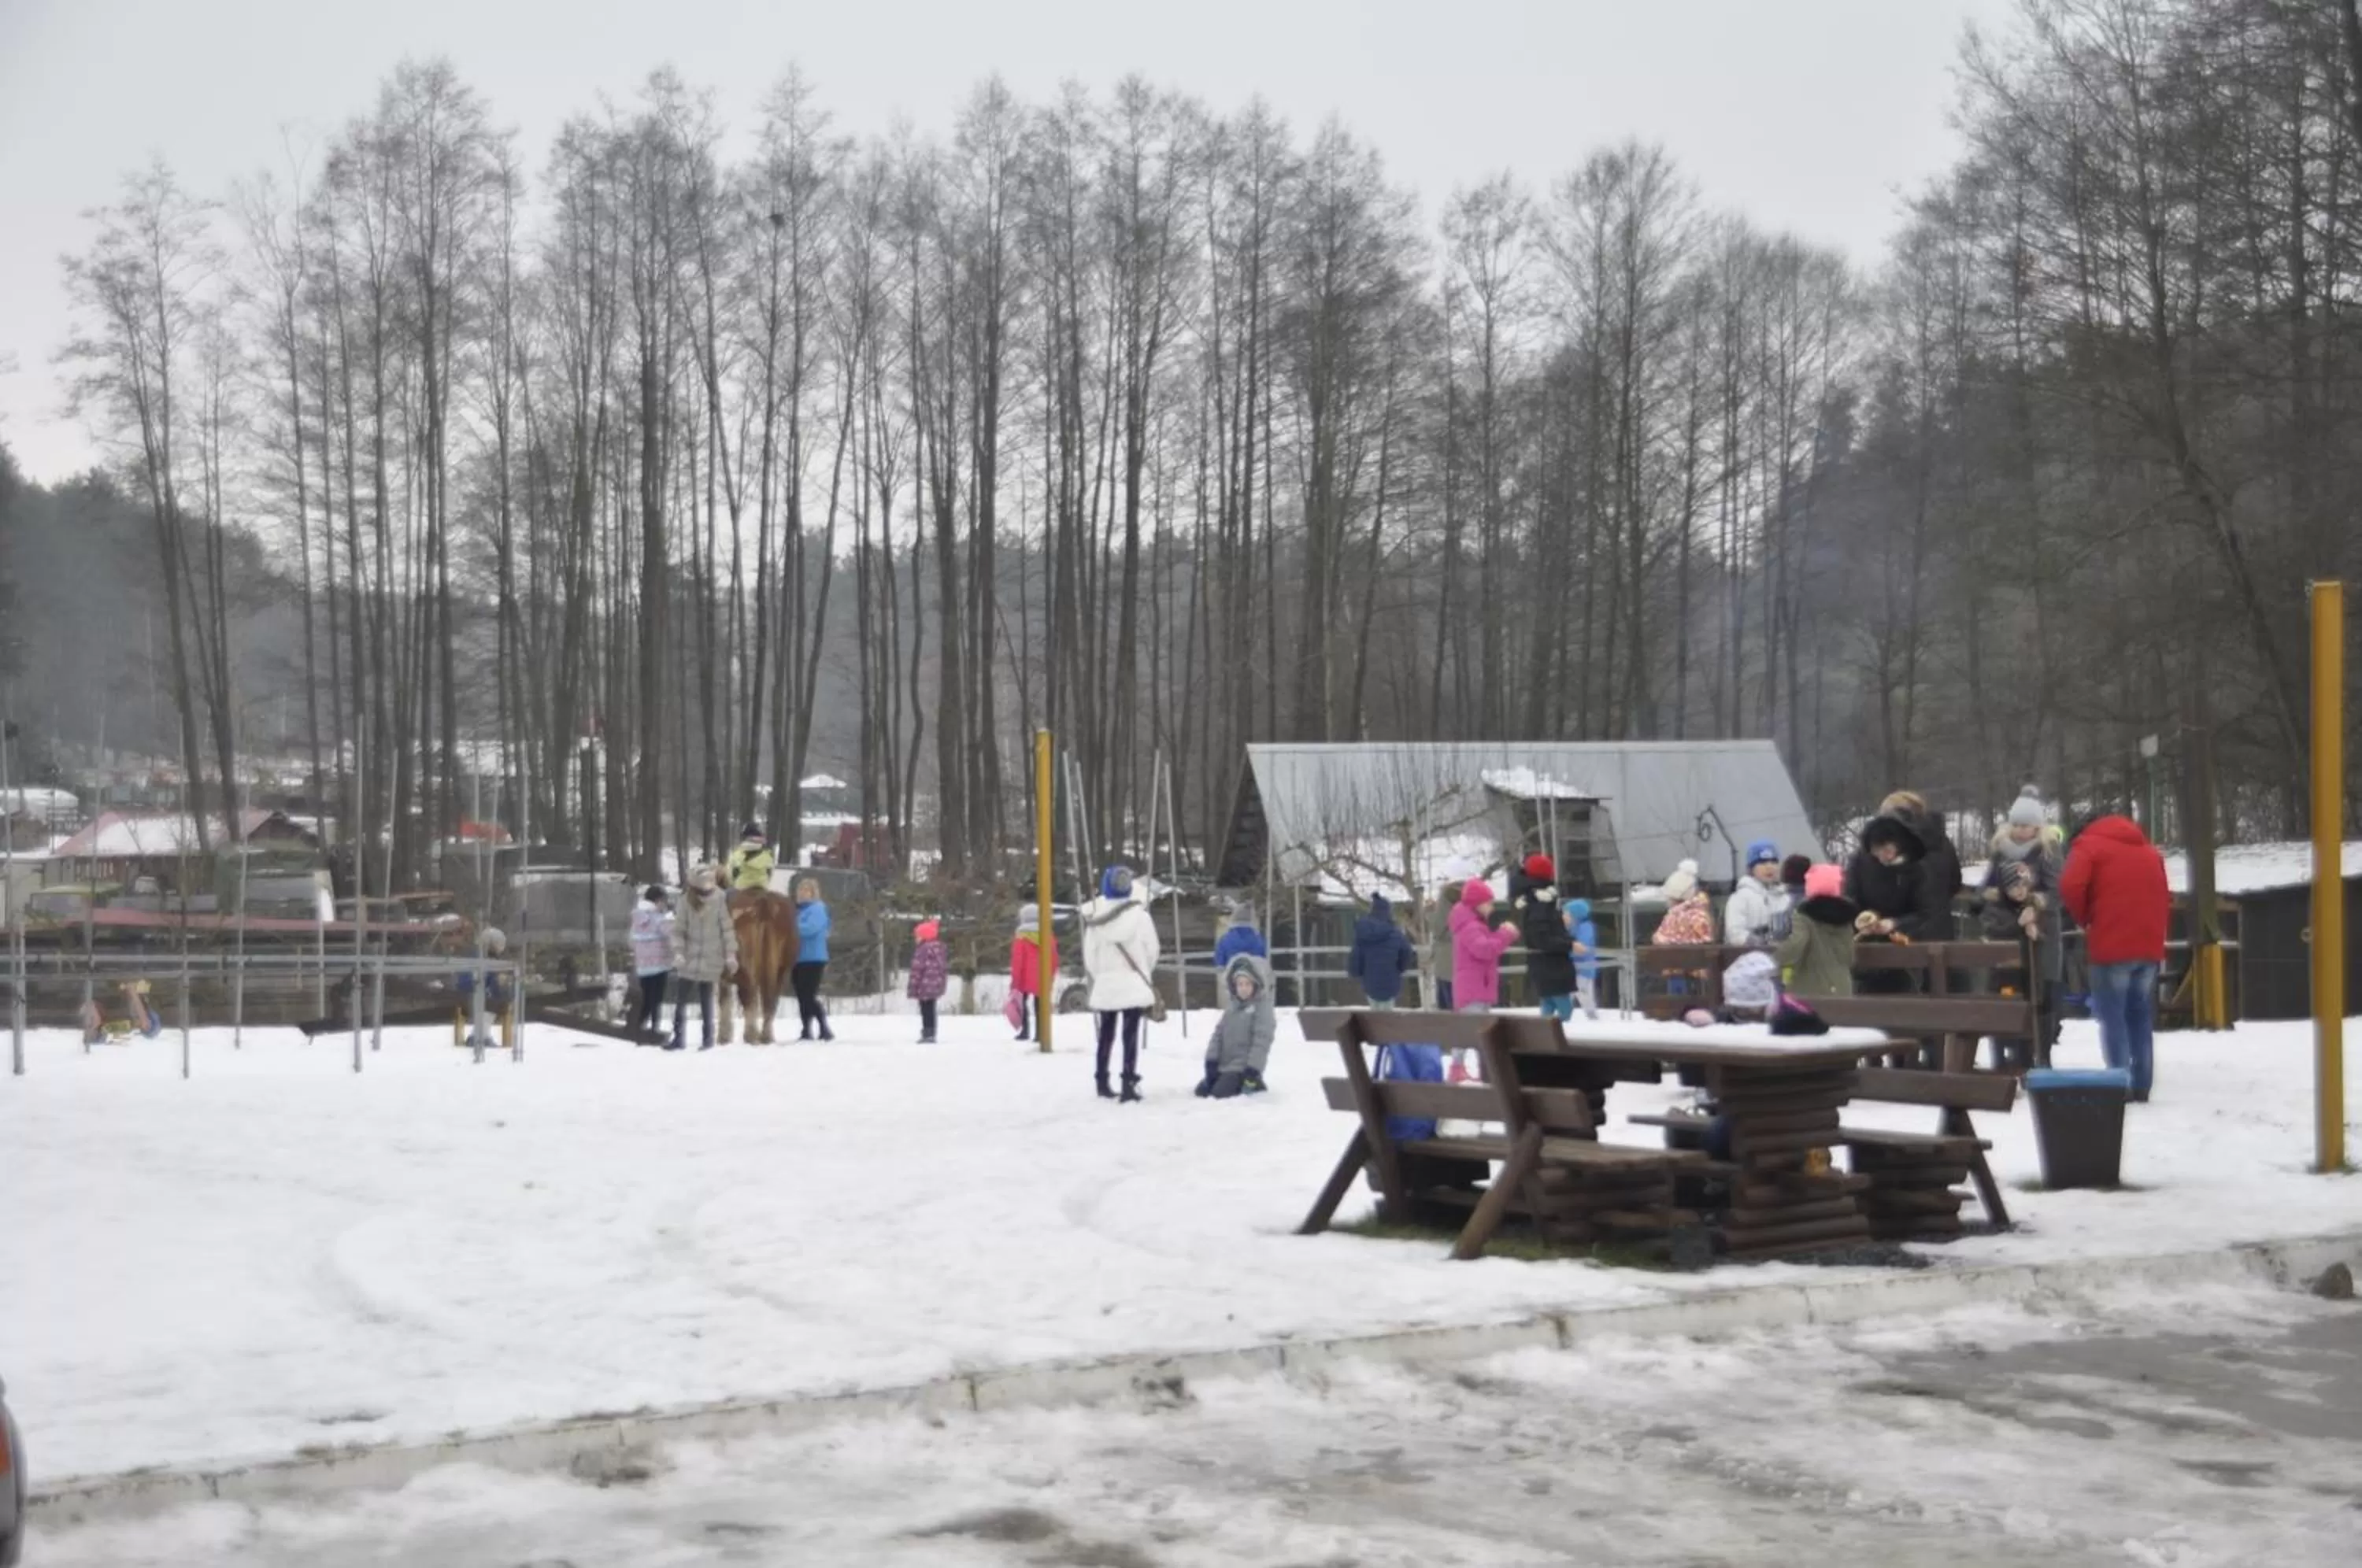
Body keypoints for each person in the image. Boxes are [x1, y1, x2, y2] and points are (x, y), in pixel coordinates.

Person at [2060, 813, 2169, 1101]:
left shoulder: (2087, 847)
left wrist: (2085, 919)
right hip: (2148, 946)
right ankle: (2143, 1084)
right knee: (2140, 1014)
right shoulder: (2149, 851)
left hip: (2110, 945)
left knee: (2113, 1017)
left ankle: (2119, 1082)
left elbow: (2070, 886)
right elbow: (2163, 894)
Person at [1980, 786, 2064, 1069]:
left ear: (2037, 826)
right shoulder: (2000, 851)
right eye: (2015, 824)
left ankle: (2040, 1054)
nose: (2019, 830)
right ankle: (2007, 1053)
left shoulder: (2047, 852)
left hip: (2040, 934)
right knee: (2007, 992)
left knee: (2040, 994)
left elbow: (2057, 892)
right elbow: (1988, 888)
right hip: (2007, 929)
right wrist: (2000, 903)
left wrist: (2036, 905)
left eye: (2025, 825)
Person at [1082, 865, 1161, 1102]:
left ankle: (1102, 1080)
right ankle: (1128, 1081)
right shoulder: (1141, 917)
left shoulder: (1096, 919)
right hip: (1133, 982)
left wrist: (1103, 975)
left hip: (1107, 983)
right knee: (1131, 1034)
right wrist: (1142, 971)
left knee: (1106, 1034)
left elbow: (1090, 956)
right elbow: (1152, 950)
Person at [670, 868, 739, 1052]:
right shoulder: (685, 901)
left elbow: (727, 929)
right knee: (681, 1000)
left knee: (706, 1000)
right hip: (689, 959)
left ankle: (708, 1039)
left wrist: (731, 954)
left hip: (711, 958)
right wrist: (678, 952)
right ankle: (678, 1038)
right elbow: (679, 930)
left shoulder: (720, 900)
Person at [1196, 952, 1275, 1099]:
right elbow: (1218, 1035)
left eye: (1247, 984)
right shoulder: (1232, 1008)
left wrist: (1253, 1070)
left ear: (1256, 984)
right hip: (1224, 1066)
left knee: (1219, 1094)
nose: (1243, 988)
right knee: (1201, 1091)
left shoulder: (1262, 1009)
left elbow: (1261, 1042)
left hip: (1242, 1068)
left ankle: (1255, 1084)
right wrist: (1211, 1061)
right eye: (1240, 984)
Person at [1776, 864, 1860, 999]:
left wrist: (1776, 960)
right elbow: (1850, 957)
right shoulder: (1845, 920)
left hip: (1809, 989)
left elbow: (1796, 944)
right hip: (1841, 989)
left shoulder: (1804, 916)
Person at [1514, 854, 1578, 1019]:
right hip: (1551, 966)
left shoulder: (1529, 901)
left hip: (1543, 965)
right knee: (1565, 1009)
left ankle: (1545, 1039)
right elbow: (1543, 938)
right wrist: (1569, 944)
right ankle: (1557, 1041)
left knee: (1548, 1005)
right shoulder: (1541, 904)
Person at [1346, 893, 1418, 1008]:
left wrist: (1355, 972)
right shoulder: (1396, 933)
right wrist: (1400, 968)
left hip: (1370, 981)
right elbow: (1407, 952)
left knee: (1374, 1011)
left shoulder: (1363, 932)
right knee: (1388, 1013)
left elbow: (1356, 956)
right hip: (1391, 981)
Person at [629, 884, 675, 1042]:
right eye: (664, 901)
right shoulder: (658, 918)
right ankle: (654, 1029)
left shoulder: (637, 917)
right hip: (659, 965)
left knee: (647, 998)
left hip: (643, 966)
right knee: (657, 998)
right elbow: (671, 933)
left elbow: (632, 940)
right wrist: (671, 917)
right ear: (658, 901)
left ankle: (639, 1026)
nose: (665, 904)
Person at [1723, 840, 1789, 947]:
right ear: (1751, 869)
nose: (1769, 867)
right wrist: (1759, 943)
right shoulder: (1740, 897)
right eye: (1762, 863)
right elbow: (1734, 933)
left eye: (1773, 862)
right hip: (1749, 958)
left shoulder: (1784, 897)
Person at [1009, 903, 1059, 1042]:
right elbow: (1054, 957)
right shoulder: (1048, 936)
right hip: (1043, 977)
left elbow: (1017, 960)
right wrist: (1051, 975)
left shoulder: (1021, 937)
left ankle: (1025, 1031)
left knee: (1022, 1003)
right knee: (1040, 1005)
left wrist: (1015, 979)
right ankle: (1041, 1032)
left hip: (1024, 978)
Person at [792, 878, 834, 1041]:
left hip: (814, 958)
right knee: (801, 996)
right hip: (798, 958)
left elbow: (810, 929)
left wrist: (790, 929)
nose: (802, 893)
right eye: (800, 890)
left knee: (809, 995)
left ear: (813, 892)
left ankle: (824, 1027)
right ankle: (806, 1029)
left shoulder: (818, 909)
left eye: (806, 890)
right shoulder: (797, 911)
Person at [1650, 860, 1716, 946]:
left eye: (1669, 897)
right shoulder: (1701, 914)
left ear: (1677, 898)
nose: (1667, 900)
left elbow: (1659, 940)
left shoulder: (1675, 917)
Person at [906, 918, 949, 1044]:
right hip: (934, 985)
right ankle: (931, 1031)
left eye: (918, 936)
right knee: (931, 1009)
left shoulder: (922, 950)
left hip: (924, 986)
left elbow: (917, 969)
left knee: (926, 1010)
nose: (916, 939)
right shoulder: (939, 949)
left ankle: (927, 1032)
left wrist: (913, 986)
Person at [1565, 897, 1602, 1020]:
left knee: (1583, 992)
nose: (1565, 916)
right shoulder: (1572, 928)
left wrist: (1568, 953)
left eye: (1567, 914)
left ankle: (1592, 1016)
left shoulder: (1586, 927)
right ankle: (1564, 1016)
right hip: (1573, 967)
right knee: (1569, 991)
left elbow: (1583, 947)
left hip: (1584, 967)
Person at [1425, 885, 1457, 1011]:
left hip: (1444, 969)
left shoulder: (1444, 912)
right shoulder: (1465, 911)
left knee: (1445, 1009)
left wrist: (1429, 911)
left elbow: (1438, 927)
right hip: (1458, 971)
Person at [725, 823, 776, 893]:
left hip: (741, 889)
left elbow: (730, 875)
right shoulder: (767, 854)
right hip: (762, 889)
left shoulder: (737, 854)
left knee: (727, 895)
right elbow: (770, 874)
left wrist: (734, 883)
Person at [1212, 904, 1268, 968]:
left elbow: (1219, 964)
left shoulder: (1225, 940)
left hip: (1231, 975)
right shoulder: (1259, 940)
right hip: (1253, 975)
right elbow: (1263, 961)